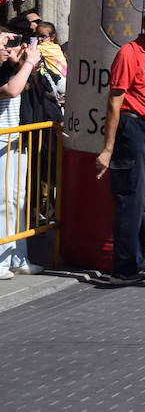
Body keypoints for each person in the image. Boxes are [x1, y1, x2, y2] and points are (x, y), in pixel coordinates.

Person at [94, 4, 145, 284]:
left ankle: (139, 263)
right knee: (131, 198)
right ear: (144, 25)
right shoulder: (128, 53)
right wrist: (108, 148)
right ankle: (124, 267)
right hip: (132, 128)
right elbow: (114, 102)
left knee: (144, 200)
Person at [0, 31, 42, 277]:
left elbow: (25, 83)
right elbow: (13, 90)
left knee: (19, 200)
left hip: (17, 138)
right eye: (4, 44)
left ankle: (18, 257)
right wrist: (27, 62)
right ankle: (1, 261)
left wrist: (24, 62)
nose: (8, 49)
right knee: (3, 201)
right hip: (2, 140)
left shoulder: (8, 67)